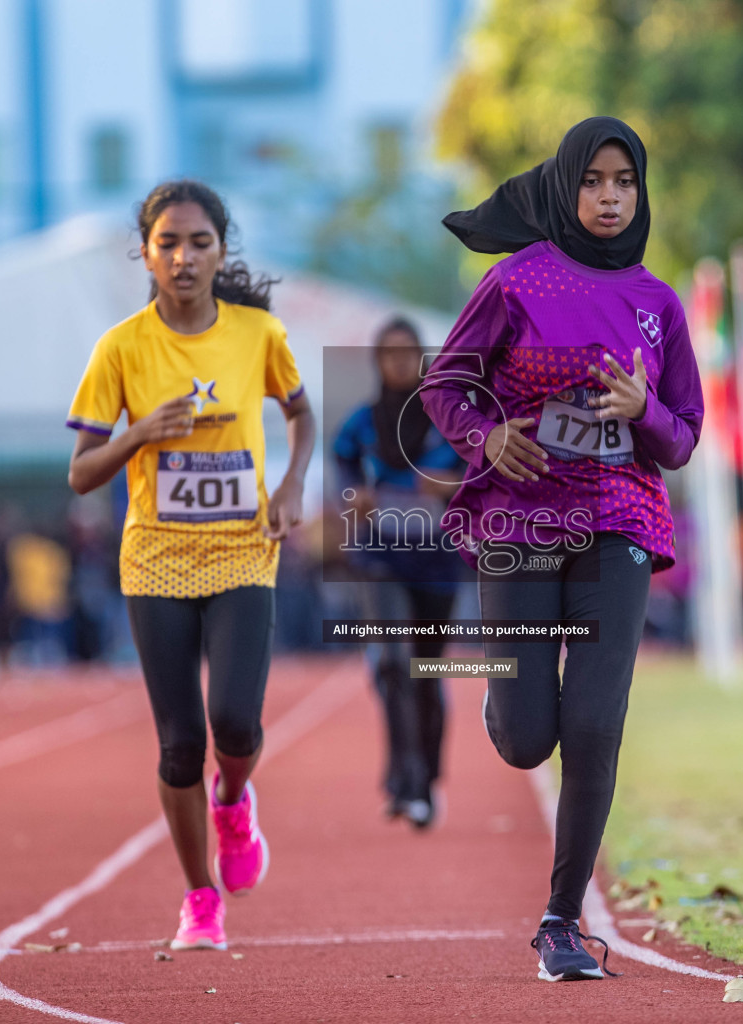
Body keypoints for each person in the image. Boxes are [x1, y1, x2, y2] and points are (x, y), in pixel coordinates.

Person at [419, 117, 702, 981]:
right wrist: (487, 439)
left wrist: (639, 409)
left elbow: (683, 437)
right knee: (523, 737)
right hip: (521, 520)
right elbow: (444, 385)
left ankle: (561, 921)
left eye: (625, 182)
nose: (611, 198)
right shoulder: (515, 282)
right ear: (565, 187)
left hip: (620, 516)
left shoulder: (659, 304)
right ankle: (508, 700)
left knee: (594, 725)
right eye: (595, 182)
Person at [66, 179, 314, 952]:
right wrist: (138, 433)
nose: (182, 257)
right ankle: (200, 897)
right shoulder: (121, 348)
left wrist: (291, 483)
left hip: (244, 550)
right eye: (167, 243)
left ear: (220, 251)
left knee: (235, 722)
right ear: (143, 253)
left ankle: (233, 802)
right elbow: (80, 472)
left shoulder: (256, 334)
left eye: (199, 242)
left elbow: (301, 413)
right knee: (178, 743)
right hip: (156, 561)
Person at [334, 316, 464, 829]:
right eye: (388, 354)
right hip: (380, 556)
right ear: (377, 362)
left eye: (407, 352)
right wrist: (354, 496)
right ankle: (404, 781)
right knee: (393, 663)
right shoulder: (362, 422)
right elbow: (342, 464)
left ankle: (425, 781)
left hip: (436, 557)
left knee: (425, 672)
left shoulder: (446, 417)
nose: (398, 362)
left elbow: (482, 466)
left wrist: (452, 485)